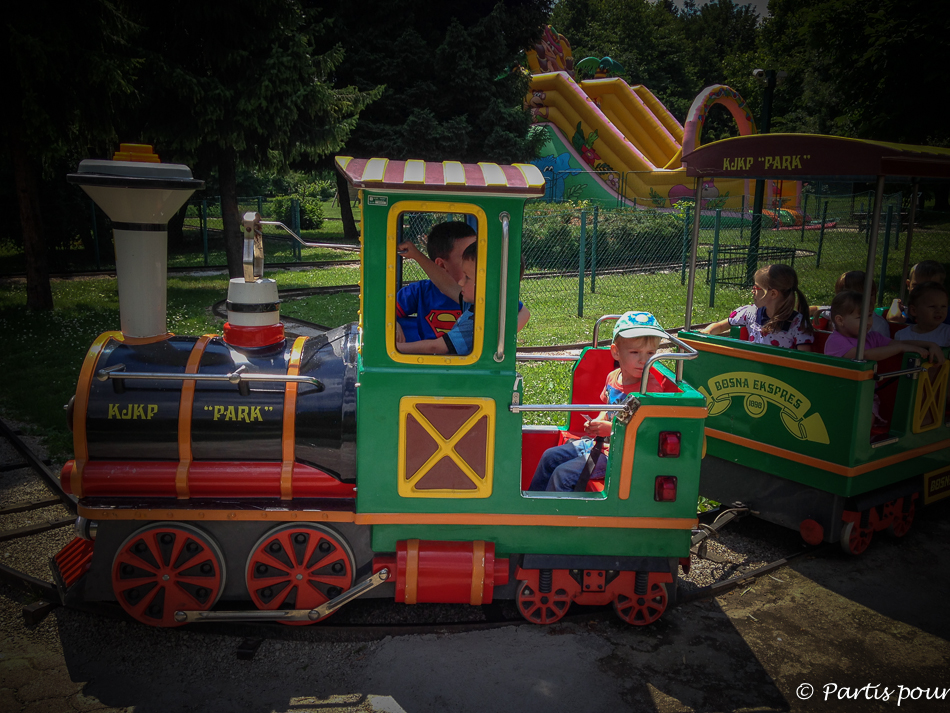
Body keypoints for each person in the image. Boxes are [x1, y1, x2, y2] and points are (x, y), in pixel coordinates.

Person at [528, 311, 666, 492]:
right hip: (600, 444)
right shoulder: (612, 377)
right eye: (635, 352)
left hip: (622, 455)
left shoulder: (650, 391)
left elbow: (645, 433)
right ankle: (534, 507)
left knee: (563, 474)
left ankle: (554, 517)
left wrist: (609, 429)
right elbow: (606, 409)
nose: (643, 360)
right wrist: (597, 422)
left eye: (650, 353)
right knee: (549, 457)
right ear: (616, 352)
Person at [396, 221, 477, 342]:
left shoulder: (478, 296)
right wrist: (391, 322)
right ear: (442, 265)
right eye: (467, 256)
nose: (477, 262)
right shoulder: (419, 291)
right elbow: (382, 310)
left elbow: (513, 312)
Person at [701, 264, 814, 351]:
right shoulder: (750, 313)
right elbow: (721, 326)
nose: (752, 290)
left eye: (756, 287)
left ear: (773, 294)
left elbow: (804, 360)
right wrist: (708, 331)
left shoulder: (798, 323)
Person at [824, 290, 944, 363]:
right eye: (860, 318)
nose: (868, 322)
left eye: (870, 316)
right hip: (841, 396)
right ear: (840, 320)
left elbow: (899, 343)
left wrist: (930, 345)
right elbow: (864, 355)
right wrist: (900, 348)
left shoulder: (873, 337)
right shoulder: (836, 341)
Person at [811, 271, 889, 337]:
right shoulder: (837, 313)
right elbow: (817, 309)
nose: (868, 300)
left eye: (871, 294)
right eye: (860, 296)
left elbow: (885, 351)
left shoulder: (879, 325)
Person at [888, 260, 949, 325]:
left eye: (930, 287)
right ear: (908, 285)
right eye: (916, 286)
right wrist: (896, 302)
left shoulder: (945, 313)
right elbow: (894, 319)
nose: (922, 291)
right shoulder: (907, 313)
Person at [895, 282, 950, 347]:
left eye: (943, 306)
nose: (939, 311)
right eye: (932, 306)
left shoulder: (947, 334)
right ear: (914, 310)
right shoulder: (901, 335)